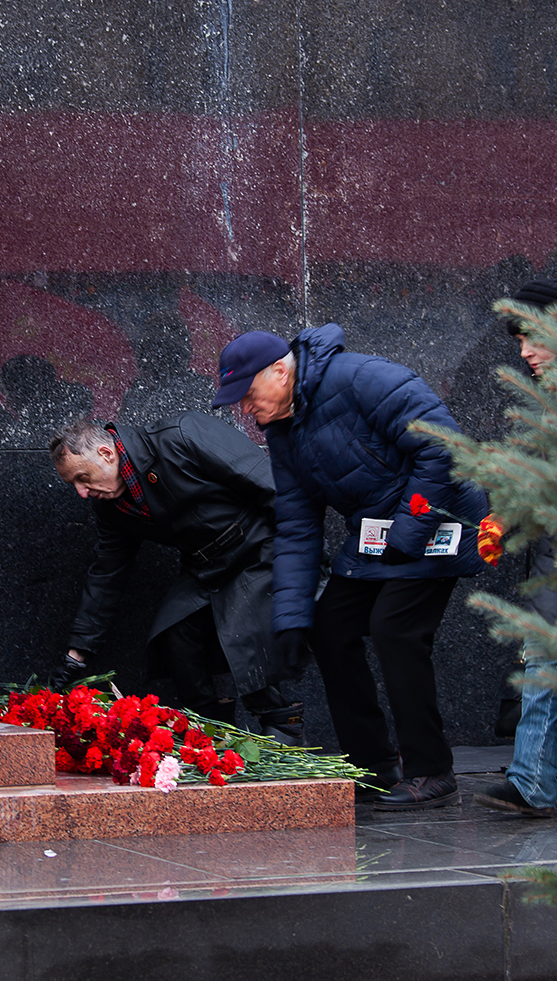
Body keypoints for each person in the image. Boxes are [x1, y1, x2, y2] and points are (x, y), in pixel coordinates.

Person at [211, 326, 489, 809]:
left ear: (281, 371)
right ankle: (374, 767)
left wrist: (407, 534)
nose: (246, 411)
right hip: (377, 535)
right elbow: (297, 525)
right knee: (329, 626)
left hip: (438, 519)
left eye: (248, 395)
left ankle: (432, 770)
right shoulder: (283, 430)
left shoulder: (363, 377)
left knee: (395, 629)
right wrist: (292, 617)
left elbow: (443, 448)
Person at [48, 413, 304, 741]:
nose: (82, 492)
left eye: (82, 477)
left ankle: (284, 725)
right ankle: (213, 733)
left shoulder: (180, 435)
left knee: (238, 627)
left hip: (259, 547)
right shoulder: (111, 508)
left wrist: (304, 556)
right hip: (205, 566)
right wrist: (77, 654)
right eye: (74, 485)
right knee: (175, 635)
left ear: (106, 454)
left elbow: (267, 480)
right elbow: (107, 575)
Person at [472, 279, 557, 818]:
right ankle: (531, 783)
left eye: (531, 338)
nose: (525, 353)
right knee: (546, 661)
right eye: (518, 342)